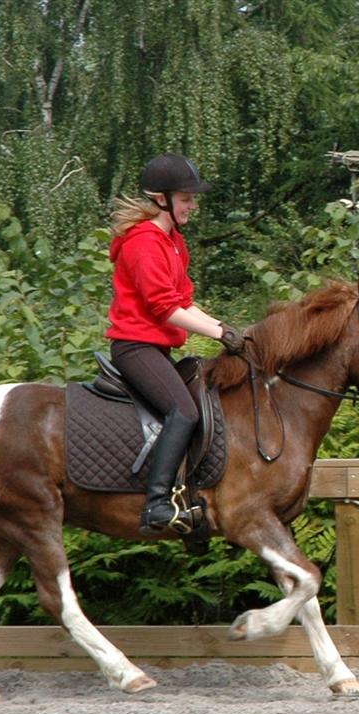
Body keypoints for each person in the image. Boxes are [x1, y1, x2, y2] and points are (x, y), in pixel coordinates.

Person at [106, 153, 245, 536]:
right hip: (135, 347)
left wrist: (225, 328)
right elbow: (164, 308)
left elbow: (183, 301)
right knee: (183, 411)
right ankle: (156, 505)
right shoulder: (144, 242)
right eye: (186, 198)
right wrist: (218, 334)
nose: (192, 205)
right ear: (162, 199)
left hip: (158, 349)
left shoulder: (173, 242)